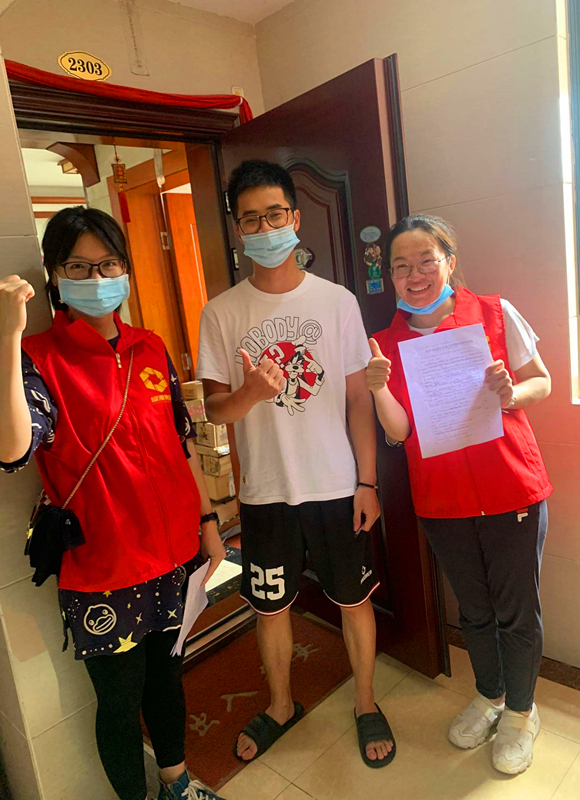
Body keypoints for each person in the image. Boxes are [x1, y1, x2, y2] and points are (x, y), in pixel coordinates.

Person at [0, 207, 227, 800]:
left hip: (174, 555)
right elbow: (13, 450)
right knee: (120, 703)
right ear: (55, 274)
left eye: (109, 265)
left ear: (126, 268)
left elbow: (180, 441)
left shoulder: (150, 346)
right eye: (79, 266)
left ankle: (177, 782)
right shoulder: (39, 356)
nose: (97, 279)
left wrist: (208, 522)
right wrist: (6, 337)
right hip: (104, 570)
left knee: (167, 680)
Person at [197, 160, 396, 768]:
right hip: (265, 492)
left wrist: (367, 481)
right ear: (237, 229)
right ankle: (281, 704)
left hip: (337, 485)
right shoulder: (221, 312)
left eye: (274, 214)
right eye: (251, 219)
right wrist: (251, 393)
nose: (265, 228)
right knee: (270, 607)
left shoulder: (336, 302)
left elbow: (358, 400)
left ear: (296, 217)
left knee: (354, 600)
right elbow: (214, 409)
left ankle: (365, 701)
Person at [366, 214, 552, 775]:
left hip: (511, 488)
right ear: (391, 276)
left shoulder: (494, 312)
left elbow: (541, 379)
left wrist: (511, 393)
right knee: (473, 611)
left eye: (426, 260)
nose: (415, 275)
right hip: (442, 501)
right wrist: (378, 390)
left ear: (449, 260)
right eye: (401, 266)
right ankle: (491, 696)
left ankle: (521, 712)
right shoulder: (387, 343)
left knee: (516, 613)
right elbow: (399, 431)